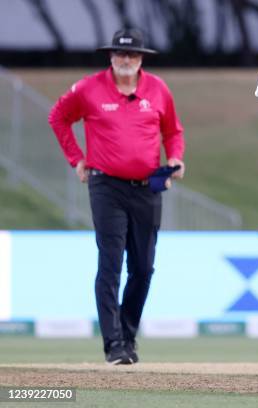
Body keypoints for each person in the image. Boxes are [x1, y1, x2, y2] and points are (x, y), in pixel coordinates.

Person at [48, 28, 185, 365]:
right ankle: (113, 344)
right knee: (110, 264)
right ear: (110, 56)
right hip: (106, 186)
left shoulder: (158, 89)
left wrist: (175, 158)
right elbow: (58, 118)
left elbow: (173, 131)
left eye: (133, 55)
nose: (127, 60)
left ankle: (127, 334)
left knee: (143, 268)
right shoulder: (88, 88)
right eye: (121, 54)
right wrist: (76, 159)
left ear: (141, 58)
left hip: (147, 187)